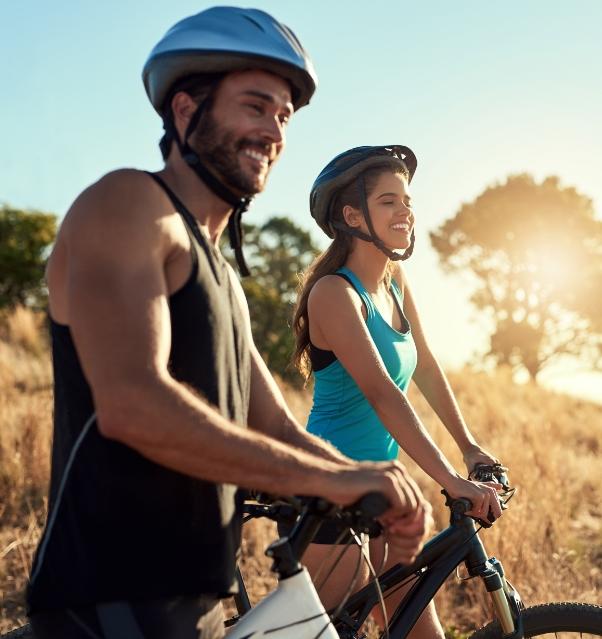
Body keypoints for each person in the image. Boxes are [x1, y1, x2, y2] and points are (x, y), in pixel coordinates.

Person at [25, 12, 431, 639]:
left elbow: (271, 424)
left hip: (196, 596)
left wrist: (378, 487)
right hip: (108, 599)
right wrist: (333, 477)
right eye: (255, 105)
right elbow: (134, 405)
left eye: (285, 116)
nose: (273, 130)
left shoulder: (219, 273)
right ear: (186, 110)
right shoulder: (129, 205)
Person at [292, 145, 503, 637]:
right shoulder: (334, 294)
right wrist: (452, 480)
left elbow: (425, 367)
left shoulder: (395, 280)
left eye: (406, 200)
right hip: (330, 494)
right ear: (351, 215)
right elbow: (384, 393)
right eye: (389, 200)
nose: (405, 210)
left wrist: (469, 448)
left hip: (384, 494)